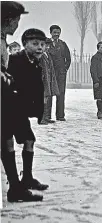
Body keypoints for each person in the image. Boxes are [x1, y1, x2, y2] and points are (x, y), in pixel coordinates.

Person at [4, 28, 51, 202]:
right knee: (7, 144)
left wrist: (38, 111)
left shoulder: (35, 62)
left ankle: (27, 178)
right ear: (25, 44)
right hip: (7, 109)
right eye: (35, 44)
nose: (40, 47)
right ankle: (15, 188)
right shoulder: (14, 61)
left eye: (42, 44)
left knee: (29, 140)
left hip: (19, 111)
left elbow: (36, 89)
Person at [47, 24, 71, 121]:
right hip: (50, 74)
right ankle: (47, 116)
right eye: (54, 32)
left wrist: (64, 69)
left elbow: (68, 59)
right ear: (51, 33)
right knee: (48, 94)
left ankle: (60, 115)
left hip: (61, 74)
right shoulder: (46, 44)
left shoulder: (63, 44)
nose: (56, 34)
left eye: (58, 32)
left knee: (61, 94)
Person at [39, 38, 60, 124]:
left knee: (47, 98)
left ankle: (46, 117)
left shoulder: (47, 55)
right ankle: (41, 118)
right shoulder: (39, 55)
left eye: (48, 45)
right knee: (42, 99)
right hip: (43, 81)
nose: (47, 47)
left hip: (49, 80)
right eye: (45, 45)